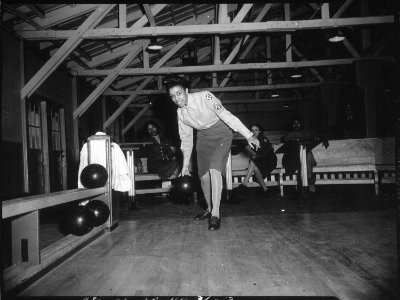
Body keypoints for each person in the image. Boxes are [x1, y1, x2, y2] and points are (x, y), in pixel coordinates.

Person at [165, 77, 259, 231]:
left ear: (186, 91)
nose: (177, 98)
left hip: (221, 133)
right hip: (203, 138)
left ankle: (216, 214)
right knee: (203, 177)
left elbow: (228, 116)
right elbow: (187, 140)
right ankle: (209, 209)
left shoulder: (206, 97)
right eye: (173, 96)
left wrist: (248, 135)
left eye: (179, 93)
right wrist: (185, 164)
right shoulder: (181, 113)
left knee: (215, 169)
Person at [281, 114, 328, 193]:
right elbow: (285, 142)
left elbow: (318, 136)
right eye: (294, 123)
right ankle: (306, 183)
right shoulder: (289, 134)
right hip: (292, 158)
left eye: (298, 123)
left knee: (308, 154)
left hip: (304, 158)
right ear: (292, 124)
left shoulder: (305, 133)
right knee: (306, 155)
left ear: (301, 124)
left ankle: (309, 180)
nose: (296, 125)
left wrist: (323, 139)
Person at [233, 124, 277, 194]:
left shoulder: (263, 139)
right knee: (255, 167)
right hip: (260, 160)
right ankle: (266, 190)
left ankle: (244, 185)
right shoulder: (250, 141)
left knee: (253, 162)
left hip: (270, 160)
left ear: (259, 131)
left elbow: (267, 152)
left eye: (256, 130)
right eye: (252, 130)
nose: (254, 132)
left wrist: (256, 156)